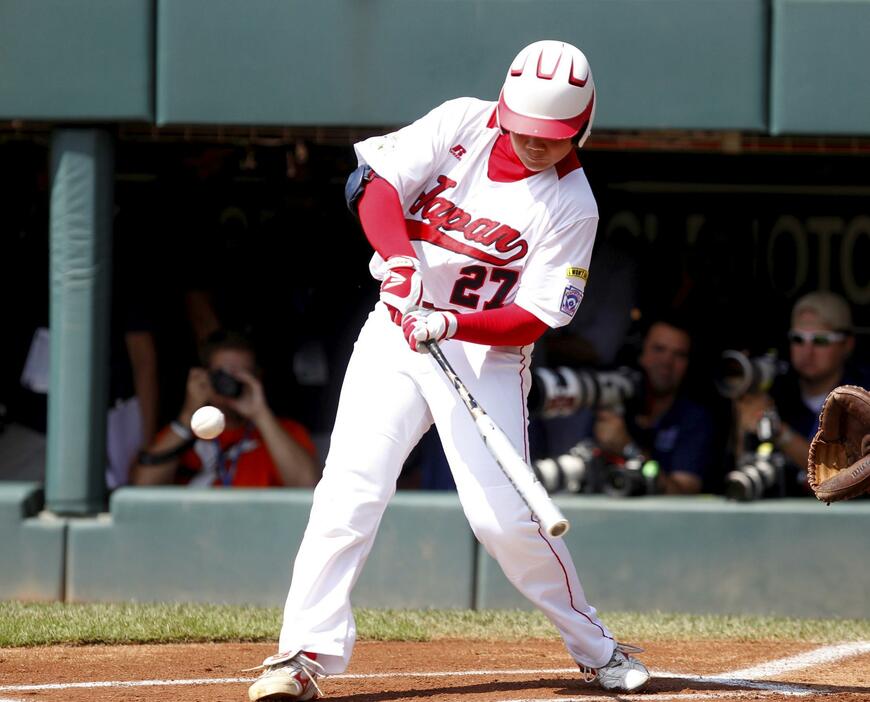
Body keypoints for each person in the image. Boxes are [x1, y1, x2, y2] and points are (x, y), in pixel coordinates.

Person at [247, 40, 649, 701]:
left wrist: (453, 323)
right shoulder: (464, 120)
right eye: (524, 128)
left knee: (503, 522)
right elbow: (373, 185)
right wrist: (401, 262)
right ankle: (301, 655)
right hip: (395, 335)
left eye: (550, 136)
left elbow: (535, 318)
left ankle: (597, 649)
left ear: (580, 128)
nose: (533, 144)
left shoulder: (573, 204)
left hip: (485, 354)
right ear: (505, 109)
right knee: (351, 489)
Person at [130, 330, 319, 488]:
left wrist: (260, 413)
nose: (229, 382)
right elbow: (141, 487)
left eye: (241, 374)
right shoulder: (182, 433)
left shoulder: (286, 432)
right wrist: (189, 415)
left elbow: (309, 488)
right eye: (222, 375)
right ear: (205, 376)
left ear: (257, 378)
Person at [734, 291, 868, 493]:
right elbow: (739, 474)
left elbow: (841, 479)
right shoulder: (776, 391)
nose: (807, 350)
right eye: (798, 339)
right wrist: (742, 423)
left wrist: (778, 431)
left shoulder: (862, 397)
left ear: (847, 345)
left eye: (821, 340)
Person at [593, 316, 715, 495]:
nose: (667, 361)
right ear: (641, 353)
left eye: (679, 355)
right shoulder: (611, 401)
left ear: (688, 365)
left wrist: (628, 448)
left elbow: (682, 495)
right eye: (659, 349)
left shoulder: (694, 418)